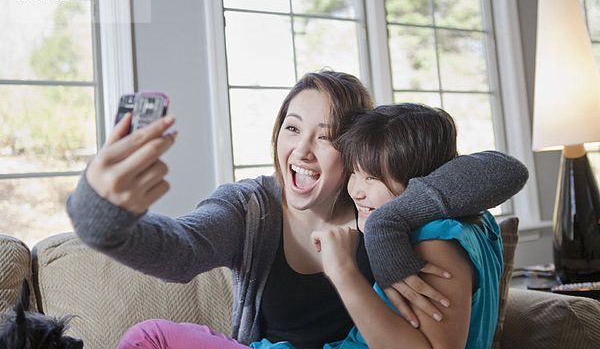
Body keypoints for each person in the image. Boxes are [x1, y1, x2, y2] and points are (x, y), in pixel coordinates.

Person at [66, 71, 527, 349]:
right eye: (291, 127)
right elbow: (181, 250)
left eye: (324, 136)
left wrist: (388, 223)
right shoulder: (251, 210)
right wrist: (100, 212)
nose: (301, 151)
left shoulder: (380, 203)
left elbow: (502, 169)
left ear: (356, 150)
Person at [301, 103, 504, 349]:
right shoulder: (479, 221)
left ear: (420, 179)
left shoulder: (435, 242)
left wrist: (343, 272)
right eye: (354, 172)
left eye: (372, 178)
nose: (356, 191)